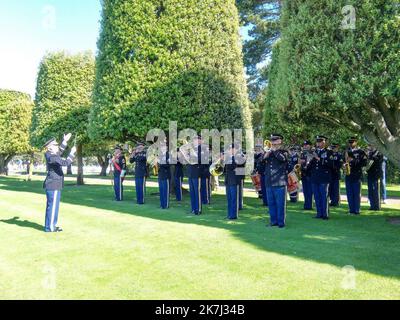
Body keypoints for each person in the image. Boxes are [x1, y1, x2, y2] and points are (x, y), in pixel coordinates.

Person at [42, 134, 76, 233]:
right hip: (54, 184)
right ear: (50, 147)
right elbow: (65, 163)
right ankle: (51, 227)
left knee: (52, 206)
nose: (57, 147)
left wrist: (65, 141)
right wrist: (72, 153)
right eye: (55, 146)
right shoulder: (52, 156)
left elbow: (59, 152)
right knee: (52, 207)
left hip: (53, 183)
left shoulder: (51, 154)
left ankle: (50, 225)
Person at [263, 134, 289, 228]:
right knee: (271, 204)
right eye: (272, 140)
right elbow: (261, 161)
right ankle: (273, 221)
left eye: (275, 140)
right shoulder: (268, 151)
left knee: (280, 204)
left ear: (280, 141)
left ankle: (281, 223)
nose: (272, 142)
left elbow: (283, 159)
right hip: (269, 181)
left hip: (280, 182)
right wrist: (267, 153)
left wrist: (275, 151)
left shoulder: (284, 152)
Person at [308, 135, 333, 220]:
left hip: (324, 177)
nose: (318, 143)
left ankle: (325, 214)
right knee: (316, 196)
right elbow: (311, 166)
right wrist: (309, 160)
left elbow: (330, 164)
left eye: (320, 142)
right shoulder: (314, 152)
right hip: (315, 177)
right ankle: (319, 213)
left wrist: (318, 158)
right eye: (317, 142)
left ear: (324, 142)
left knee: (324, 196)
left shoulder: (329, 152)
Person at [344, 137, 367, 215]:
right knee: (349, 193)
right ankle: (351, 210)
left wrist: (353, 160)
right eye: (349, 142)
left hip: (357, 175)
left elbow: (364, 163)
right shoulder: (347, 151)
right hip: (348, 175)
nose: (351, 143)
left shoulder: (361, 152)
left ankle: (357, 210)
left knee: (356, 193)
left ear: (356, 142)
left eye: (352, 142)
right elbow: (343, 161)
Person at [185, 136, 203, 215]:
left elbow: (199, 159)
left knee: (197, 192)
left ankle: (198, 209)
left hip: (197, 172)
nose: (195, 141)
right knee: (192, 192)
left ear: (199, 141)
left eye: (196, 140)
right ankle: (193, 209)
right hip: (190, 172)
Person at [224, 145, 241, 220]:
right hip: (228, 180)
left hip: (234, 180)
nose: (229, 150)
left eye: (231, 149)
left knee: (234, 199)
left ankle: (234, 215)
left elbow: (233, 166)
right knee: (229, 198)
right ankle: (229, 214)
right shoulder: (228, 158)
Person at [366, 144, 383, 211]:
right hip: (370, 174)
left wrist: (372, 157)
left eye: (371, 145)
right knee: (370, 191)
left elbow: (378, 161)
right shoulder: (370, 153)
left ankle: (377, 206)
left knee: (376, 191)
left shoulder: (380, 153)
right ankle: (372, 205)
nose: (370, 147)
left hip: (376, 175)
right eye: (370, 145)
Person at [300, 141, 314, 210]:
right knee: (305, 190)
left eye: (307, 145)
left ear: (310, 145)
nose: (305, 146)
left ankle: (309, 205)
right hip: (303, 174)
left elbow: (311, 162)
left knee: (309, 191)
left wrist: (305, 162)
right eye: (304, 145)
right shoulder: (302, 153)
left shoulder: (312, 153)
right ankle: (306, 204)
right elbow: (300, 162)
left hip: (310, 174)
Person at [158, 145, 171, 209]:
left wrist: (160, 162)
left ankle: (166, 205)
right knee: (161, 190)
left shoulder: (168, 155)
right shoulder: (160, 155)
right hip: (160, 174)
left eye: (163, 147)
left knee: (165, 190)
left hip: (166, 175)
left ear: (166, 148)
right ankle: (162, 204)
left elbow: (168, 165)